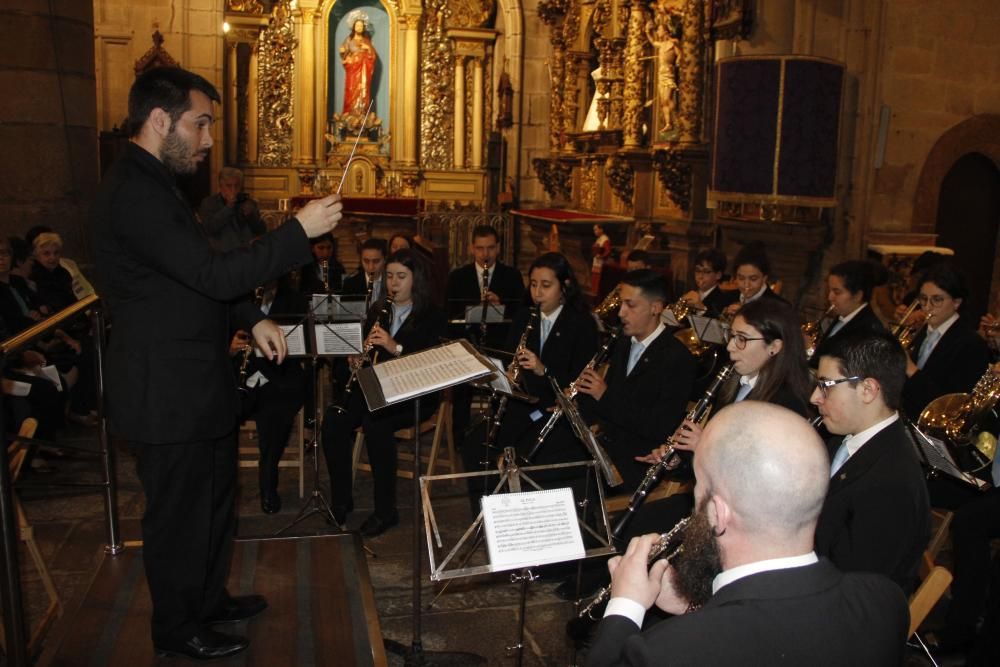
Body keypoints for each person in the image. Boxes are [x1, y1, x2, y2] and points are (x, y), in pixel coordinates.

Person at [91, 66, 342, 660]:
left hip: (194, 384)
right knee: (179, 515)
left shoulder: (157, 182)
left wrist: (249, 318)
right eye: (199, 123)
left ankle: (207, 600)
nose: (207, 139)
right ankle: (178, 629)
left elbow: (195, 276)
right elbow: (209, 272)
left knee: (212, 502)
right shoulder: (133, 190)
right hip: (165, 389)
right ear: (159, 120)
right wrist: (296, 232)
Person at [585, 402, 910, 667]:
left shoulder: (668, 652)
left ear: (718, 513)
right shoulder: (884, 602)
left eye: (698, 487)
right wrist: (696, 609)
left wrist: (625, 606)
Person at [322, 249, 446, 536]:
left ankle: (385, 511)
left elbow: (431, 363)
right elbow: (365, 354)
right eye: (389, 276)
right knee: (334, 420)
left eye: (401, 277)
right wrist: (354, 359)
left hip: (413, 394)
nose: (393, 283)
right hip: (375, 387)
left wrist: (395, 347)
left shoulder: (432, 316)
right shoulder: (379, 309)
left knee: (375, 423)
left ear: (417, 280)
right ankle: (341, 501)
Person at [462, 252, 599, 497]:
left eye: (546, 285)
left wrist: (542, 369)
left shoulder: (581, 324)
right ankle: (485, 518)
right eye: (533, 284)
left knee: (521, 454)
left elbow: (579, 381)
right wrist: (507, 375)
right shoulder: (525, 316)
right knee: (475, 446)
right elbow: (507, 360)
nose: (537, 292)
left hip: (554, 411)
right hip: (523, 405)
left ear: (565, 286)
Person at [811, 331, 930, 592]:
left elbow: (854, 585)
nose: (814, 398)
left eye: (825, 386)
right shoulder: (840, 439)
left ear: (868, 390)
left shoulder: (892, 481)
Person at [575, 269, 696, 490]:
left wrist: (604, 395)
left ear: (655, 307)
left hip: (639, 461)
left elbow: (660, 427)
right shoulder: (622, 343)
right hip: (606, 448)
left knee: (566, 483)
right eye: (621, 304)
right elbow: (605, 410)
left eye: (630, 305)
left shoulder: (677, 358)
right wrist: (576, 402)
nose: (621, 313)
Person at [230, 277, 307, 514]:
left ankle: (268, 484)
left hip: (278, 379)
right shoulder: (233, 298)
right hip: (240, 379)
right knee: (217, 411)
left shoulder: (293, 300)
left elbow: (298, 348)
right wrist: (230, 348)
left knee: (273, 417)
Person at [445, 225, 524, 446]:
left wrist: (501, 308)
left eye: (490, 248)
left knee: (507, 380)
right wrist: (474, 311)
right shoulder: (458, 277)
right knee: (461, 381)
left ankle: (500, 435)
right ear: (472, 248)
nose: (485, 254)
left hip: (500, 344)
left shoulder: (511, 276)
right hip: (468, 343)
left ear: (498, 248)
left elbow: (521, 314)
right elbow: (449, 315)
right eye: (480, 248)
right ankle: (461, 437)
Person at [902, 264, 991, 419]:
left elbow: (953, 404)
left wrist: (910, 368)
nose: (927, 307)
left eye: (937, 300)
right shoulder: (921, 331)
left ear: (956, 303)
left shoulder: (971, 343)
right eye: (923, 299)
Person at [810, 259, 888, 365]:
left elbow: (843, 371)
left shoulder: (868, 331)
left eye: (837, 292)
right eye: (830, 290)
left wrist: (808, 349)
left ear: (857, 296)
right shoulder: (843, 317)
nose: (830, 297)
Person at [197, 167, 266, 251]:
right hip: (222, 254)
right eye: (229, 186)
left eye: (236, 185)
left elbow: (261, 230)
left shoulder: (248, 203)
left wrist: (251, 215)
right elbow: (209, 228)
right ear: (221, 185)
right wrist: (228, 208)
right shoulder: (209, 203)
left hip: (245, 254)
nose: (233, 189)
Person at [721, 241, 787, 320]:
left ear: (764, 278)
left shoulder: (780, 306)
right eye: (741, 278)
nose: (746, 284)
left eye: (753, 279)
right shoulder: (726, 298)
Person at [679, 248, 738, 318]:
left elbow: (718, 324)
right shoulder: (690, 293)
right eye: (697, 270)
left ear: (718, 275)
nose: (700, 276)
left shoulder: (725, 300)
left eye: (706, 272)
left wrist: (701, 309)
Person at [339, 15, 376, 118]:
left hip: (364, 71)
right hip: (353, 71)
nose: (359, 27)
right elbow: (344, 53)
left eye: (361, 26)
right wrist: (343, 53)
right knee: (351, 90)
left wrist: (368, 48)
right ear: (353, 27)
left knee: (363, 90)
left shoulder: (366, 41)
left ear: (363, 28)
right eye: (357, 25)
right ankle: (350, 113)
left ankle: (362, 113)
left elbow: (373, 57)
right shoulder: (349, 40)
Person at [342, 237, 387, 306]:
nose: (371, 267)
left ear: (384, 260)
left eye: (376, 261)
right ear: (361, 260)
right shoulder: (350, 284)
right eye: (366, 261)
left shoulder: (391, 282)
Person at [591, 224, 612, 295]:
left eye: (596, 229)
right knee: (594, 279)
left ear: (601, 229)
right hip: (596, 262)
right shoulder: (598, 239)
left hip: (601, 263)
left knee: (599, 281)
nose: (595, 231)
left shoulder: (605, 239)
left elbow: (608, 251)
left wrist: (601, 256)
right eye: (594, 230)